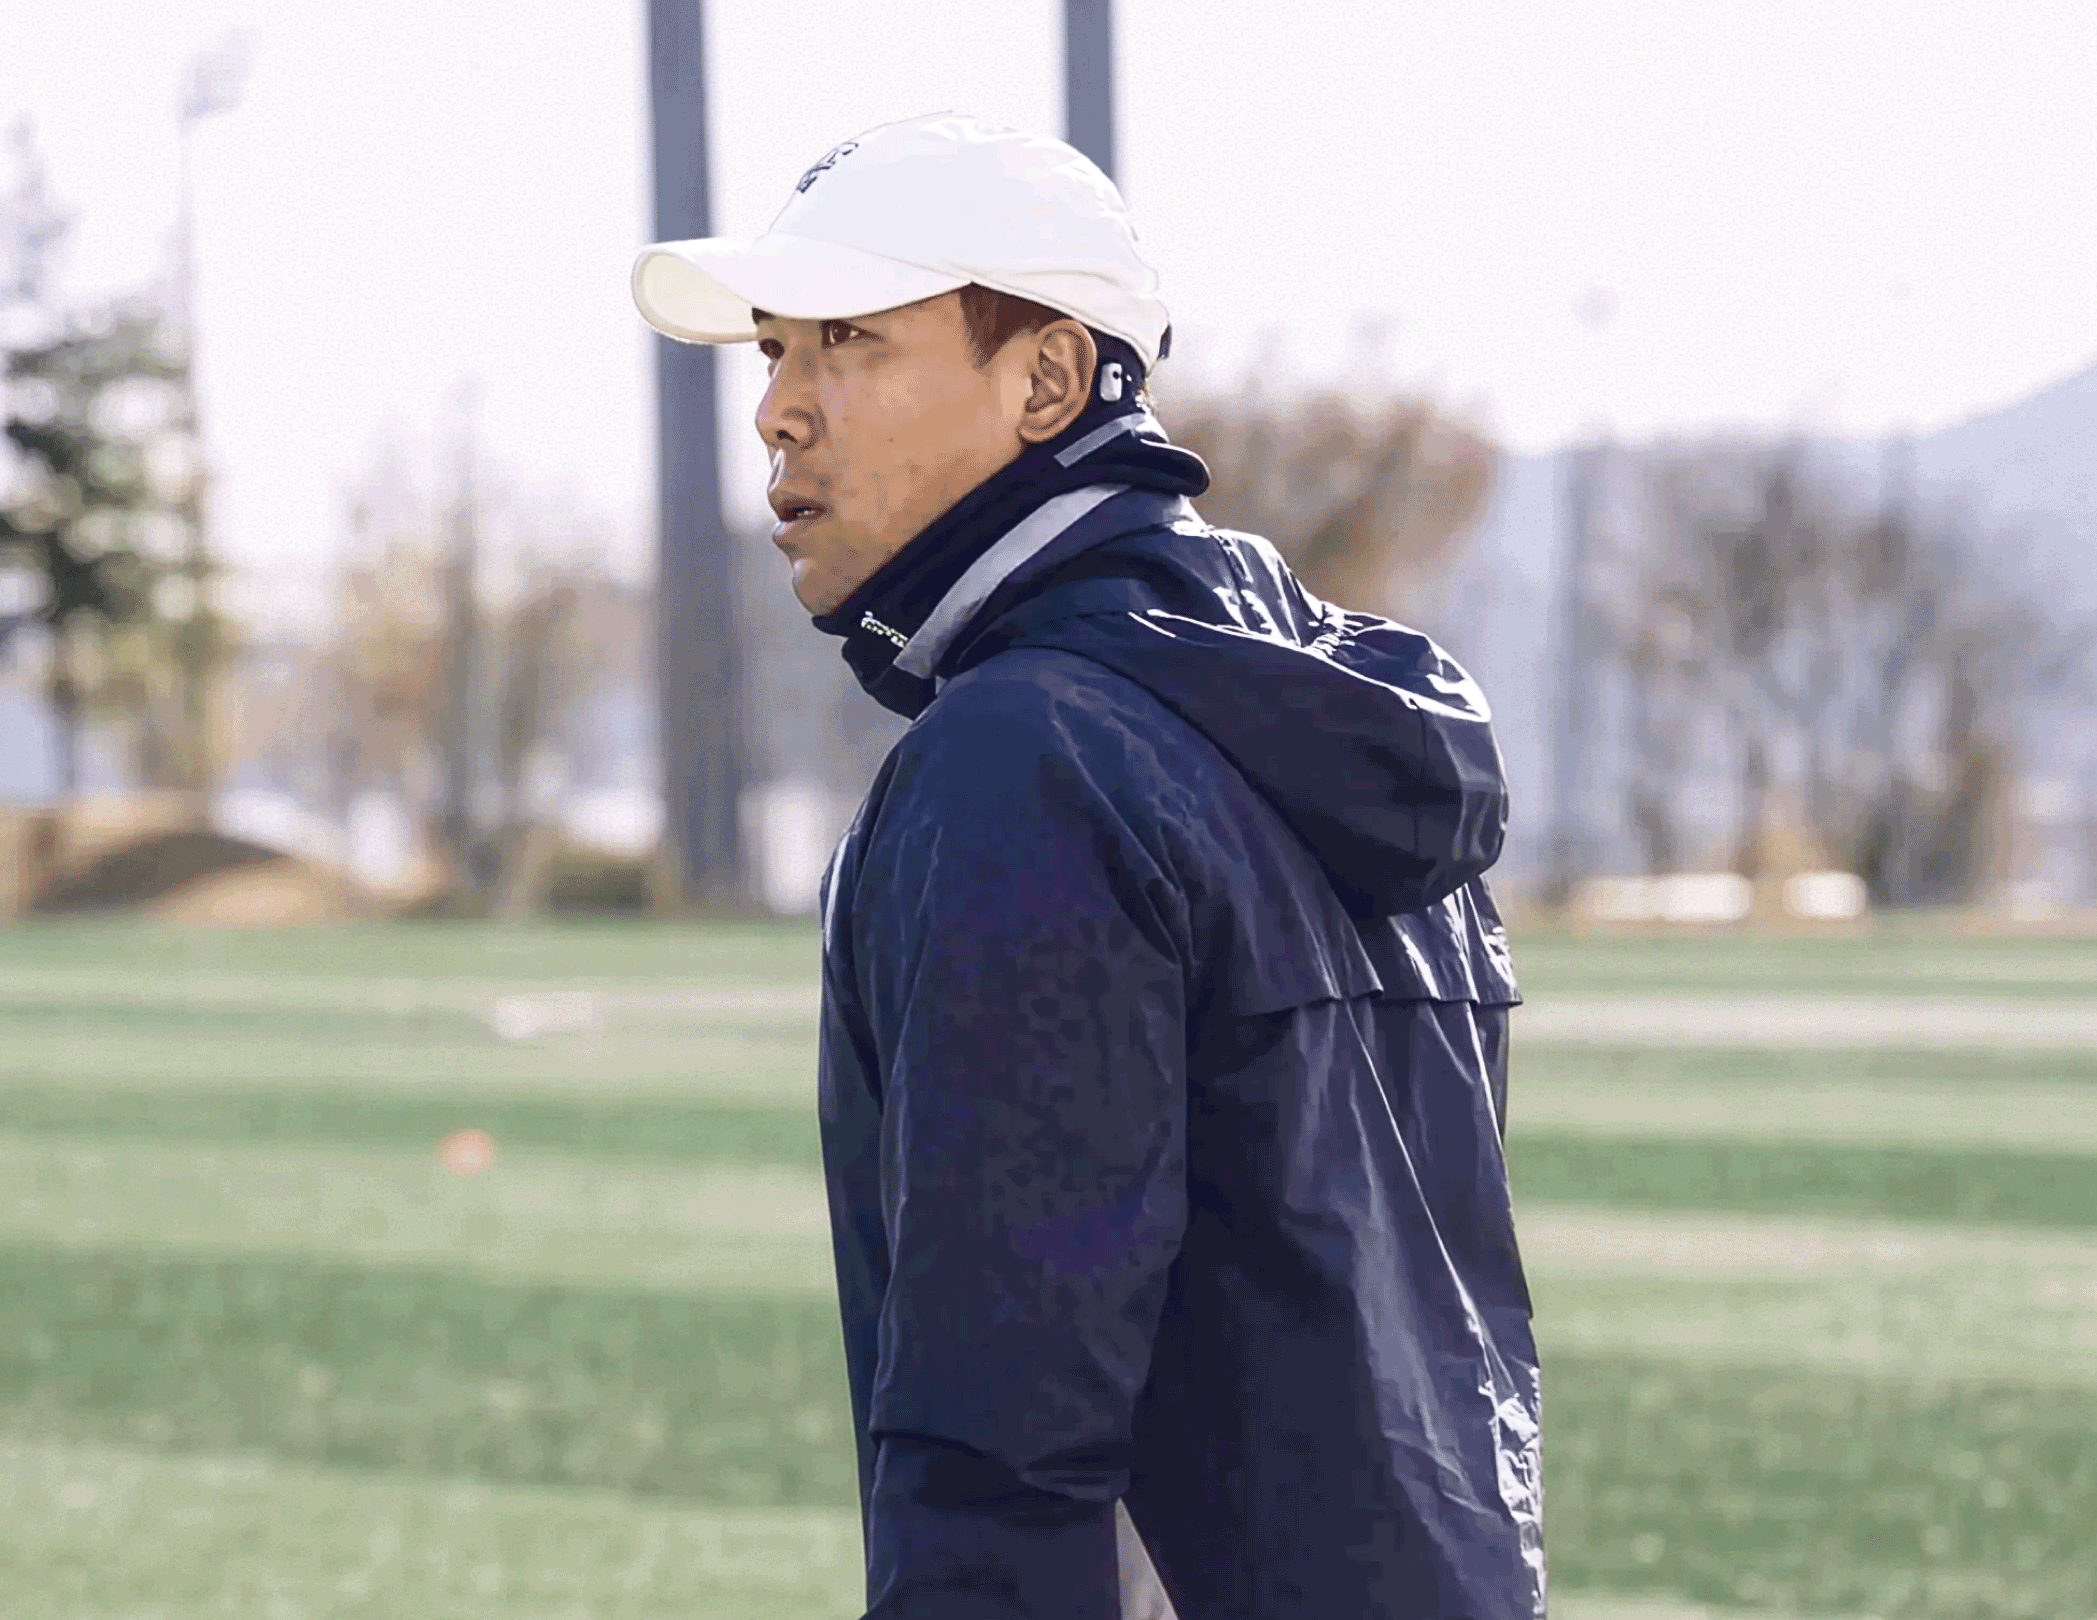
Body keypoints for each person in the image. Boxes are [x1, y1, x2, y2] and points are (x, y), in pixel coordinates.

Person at [630, 112, 1542, 1620]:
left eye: (848, 340)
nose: (779, 412)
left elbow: (1007, 1426)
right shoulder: (1328, 726)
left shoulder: (1024, 763)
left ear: (1049, 380)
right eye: (772, 352)